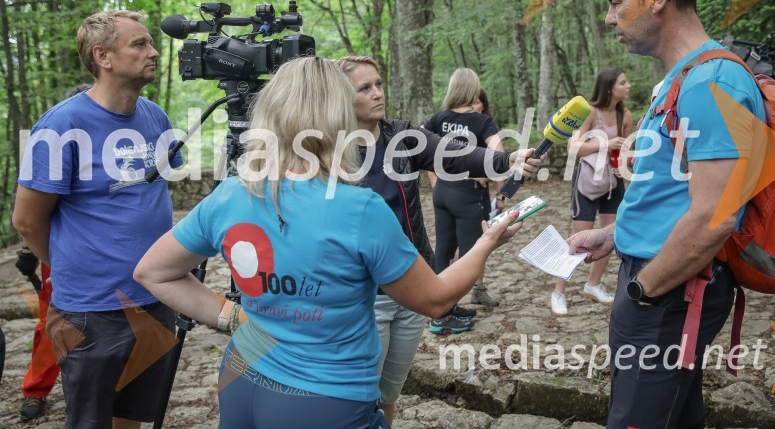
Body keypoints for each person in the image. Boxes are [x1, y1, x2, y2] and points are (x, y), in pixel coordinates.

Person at [133, 56, 525, 429]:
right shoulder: (360, 208)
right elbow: (437, 300)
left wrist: (231, 317)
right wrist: (486, 243)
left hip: (241, 377)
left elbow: (153, 272)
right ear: (338, 117)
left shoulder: (231, 194)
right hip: (324, 396)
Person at [568, 0, 764, 428]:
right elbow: (676, 194)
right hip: (665, 283)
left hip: (671, 289)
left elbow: (716, 216)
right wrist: (613, 236)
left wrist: (643, 291)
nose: (610, 18)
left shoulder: (713, 82)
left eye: (616, 3)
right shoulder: (685, 79)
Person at [334, 55, 541, 426]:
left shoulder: (401, 135)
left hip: (414, 283)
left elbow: (457, 155)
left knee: (389, 392)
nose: (378, 93)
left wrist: (509, 159)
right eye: (364, 88)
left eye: (379, 83)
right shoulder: (327, 152)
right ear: (339, 97)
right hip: (365, 295)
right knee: (359, 397)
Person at [12, 10, 182, 429]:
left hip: (155, 299)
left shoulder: (155, 117)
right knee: (91, 422)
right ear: (103, 56)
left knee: (132, 418)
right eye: (140, 44)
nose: (154, 51)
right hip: (92, 310)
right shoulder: (61, 125)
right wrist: (77, 265)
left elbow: (159, 195)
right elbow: (27, 221)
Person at [15, 83, 92, 422]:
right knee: (51, 322)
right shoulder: (53, 141)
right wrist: (31, 251)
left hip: (112, 253)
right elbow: (34, 207)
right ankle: (36, 389)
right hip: (62, 250)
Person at [551, 68, 632, 315]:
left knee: (611, 236)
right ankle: (559, 292)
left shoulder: (625, 115)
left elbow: (626, 151)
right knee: (579, 240)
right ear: (609, 88)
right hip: (587, 181)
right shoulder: (589, 111)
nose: (628, 86)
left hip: (612, 184)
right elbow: (573, 147)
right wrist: (605, 143)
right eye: (623, 82)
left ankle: (593, 284)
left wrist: (624, 165)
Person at [424, 68, 505, 316]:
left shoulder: (439, 119)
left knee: (444, 250)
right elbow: (500, 156)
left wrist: (438, 182)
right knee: (472, 254)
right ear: (473, 89)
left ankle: (440, 308)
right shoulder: (482, 121)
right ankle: (448, 308)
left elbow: (417, 145)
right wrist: (500, 192)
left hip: (443, 194)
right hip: (467, 197)